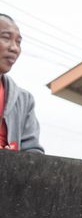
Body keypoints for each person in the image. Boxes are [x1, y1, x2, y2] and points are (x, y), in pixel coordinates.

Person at [0, 13, 43, 153]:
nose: (14, 48)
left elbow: (32, 153)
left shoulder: (24, 100)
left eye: (18, 42)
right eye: (6, 38)